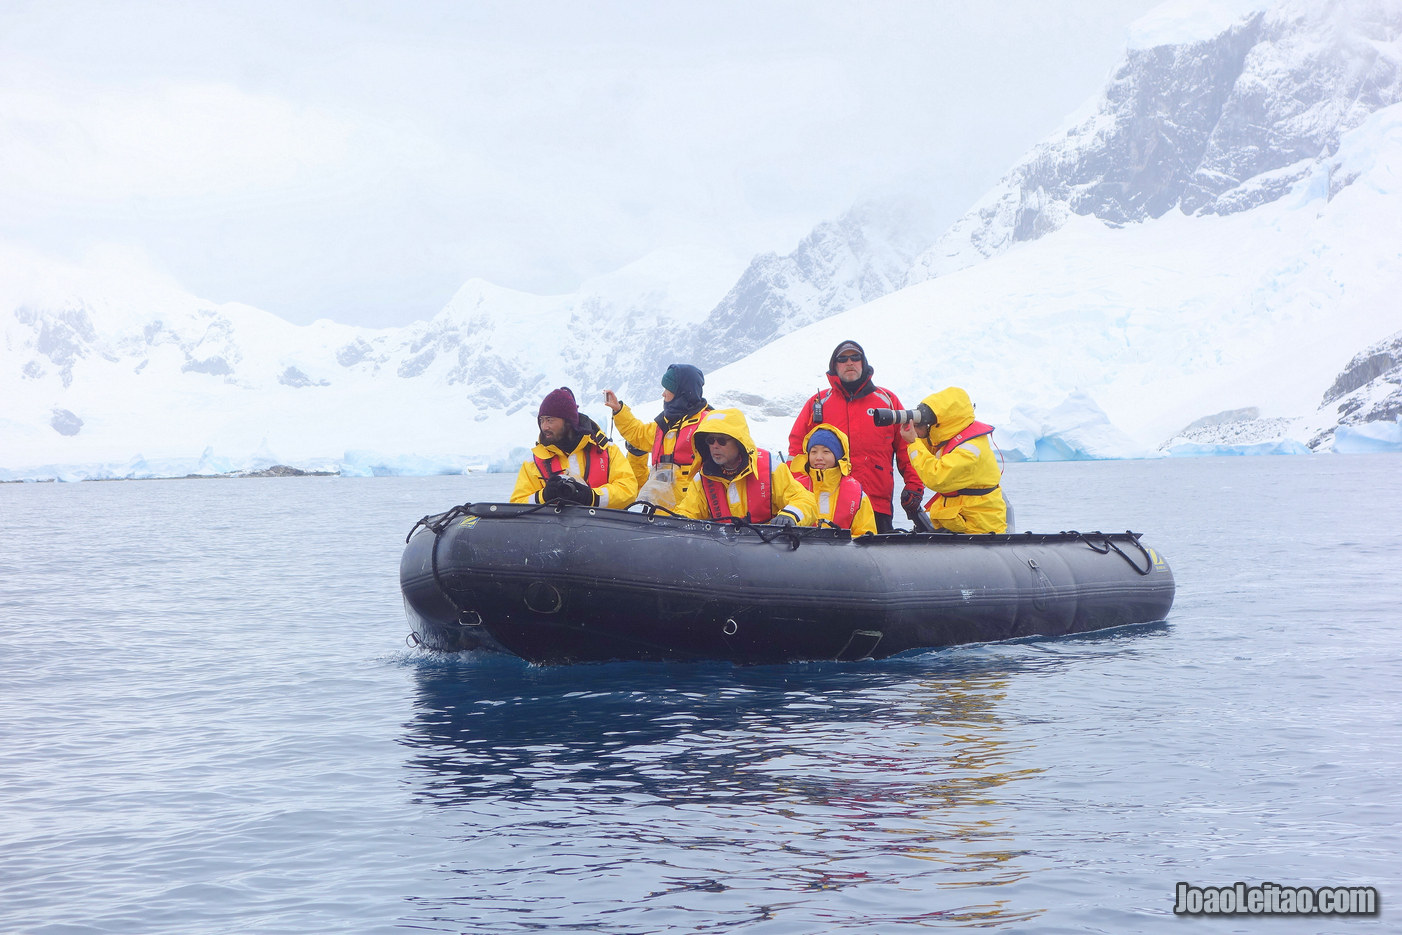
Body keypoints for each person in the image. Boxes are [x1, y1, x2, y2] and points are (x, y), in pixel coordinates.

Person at [788, 339, 923, 533]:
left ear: (863, 362)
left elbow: (907, 447)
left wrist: (914, 485)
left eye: (855, 357)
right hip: (822, 504)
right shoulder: (817, 403)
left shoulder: (888, 401)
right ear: (834, 366)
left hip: (876, 504)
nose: (849, 362)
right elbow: (796, 451)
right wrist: (798, 493)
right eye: (842, 359)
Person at [673, 408, 817, 527]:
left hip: (767, 548)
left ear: (739, 442)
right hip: (722, 550)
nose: (715, 446)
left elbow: (805, 500)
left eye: (722, 441)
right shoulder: (702, 479)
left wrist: (790, 515)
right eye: (710, 440)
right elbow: (688, 511)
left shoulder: (771, 470)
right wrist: (673, 522)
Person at [898, 387, 1008, 534]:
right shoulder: (949, 439)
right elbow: (928, 453)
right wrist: (920, 434)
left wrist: (913, 443)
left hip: (979, 527)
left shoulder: (970, 448)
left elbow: (936, 477)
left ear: (943, 420)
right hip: (959, 522)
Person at [510, 387, 639, 509]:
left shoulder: (607, 451)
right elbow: (516, 504)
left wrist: (591, 497)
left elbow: (629, 490)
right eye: (542, 420)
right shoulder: (533, 463)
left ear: (568, 421)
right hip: (553, 531)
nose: (544, 427)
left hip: (601, 528)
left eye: (550, 420)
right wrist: (543, 496)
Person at [603, 363, 711, 508]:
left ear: (682, 392)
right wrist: (619, 410)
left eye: (668, 389)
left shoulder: (708, 425)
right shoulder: (665, 424)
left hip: (692, 512)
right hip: (659, 512)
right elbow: (638, 434)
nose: (663, 393)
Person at [795, 424, 878, 537]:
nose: (818, 457)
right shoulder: (795, 489)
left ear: (838, 456)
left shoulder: (858, 496)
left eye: (826, 452)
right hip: (802, 552)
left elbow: (865, 535)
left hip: (842, 554)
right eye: (813, 452)